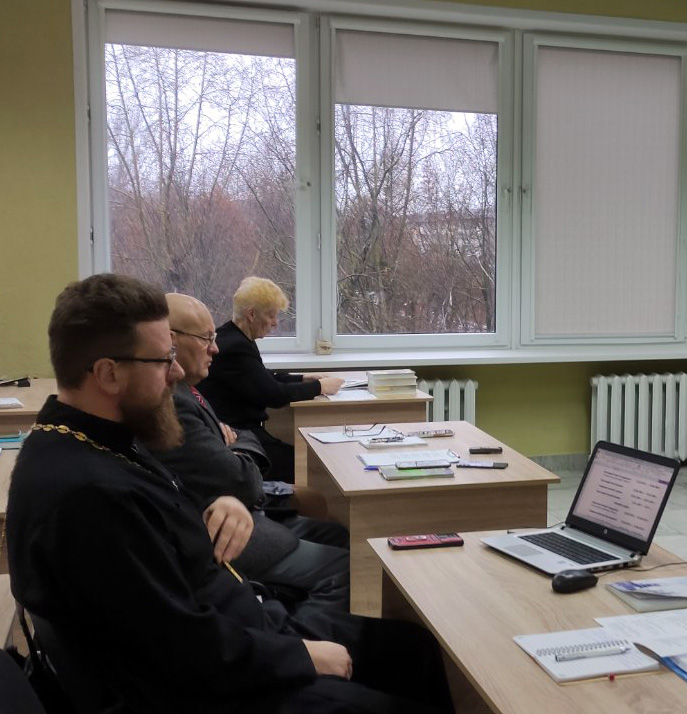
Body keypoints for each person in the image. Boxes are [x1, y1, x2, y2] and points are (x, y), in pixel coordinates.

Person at [6, 273, 453, 713]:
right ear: (108, 374)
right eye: (163, 360)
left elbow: (162, 551)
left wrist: (225, 504)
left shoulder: (98, 442)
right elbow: (177, 649)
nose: (176, 372)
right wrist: (300, 655)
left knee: (413, 648)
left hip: (241, 625)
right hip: (214, 686)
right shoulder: (89, 496)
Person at [152, 292, 350, 614]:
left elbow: (261, 385)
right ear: (171, 341)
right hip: (231, 528)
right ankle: (298, 638)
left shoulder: (190, 385)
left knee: (338, 533)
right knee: (348, 566)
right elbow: (243, 481)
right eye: (205, 339)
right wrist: (237, 442)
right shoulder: (174, 402)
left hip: (238, 503)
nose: (214, 349)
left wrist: (234, 440)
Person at [197, 277, 343, 483]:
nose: (275, 322)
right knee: (309, 465)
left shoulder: (234, 336)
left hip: (241, 429)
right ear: (251, 314)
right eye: (271, 315)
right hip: (238, 436)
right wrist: (319, 387)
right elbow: (274, 395)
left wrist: (303, 378)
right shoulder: (235, 347)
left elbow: (262, 377)